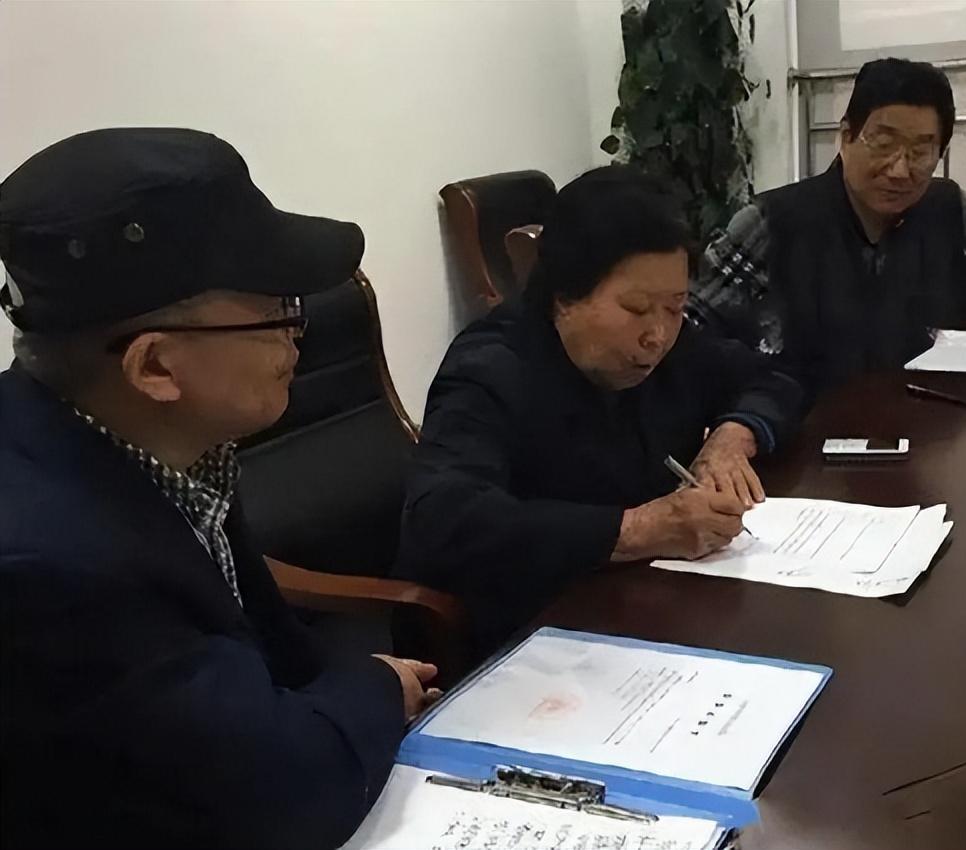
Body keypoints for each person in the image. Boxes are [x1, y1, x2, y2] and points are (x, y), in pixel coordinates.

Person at [0, 128, 439, 850]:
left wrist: (346, 692)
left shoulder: (165, 444)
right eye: (277, 309)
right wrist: (378, 687)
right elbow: (275, 800)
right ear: (155, 367)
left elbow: (273, 656)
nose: (298, 335)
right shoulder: (51, 570)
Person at [397, 166, 803, 649]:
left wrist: (734, 435)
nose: (657, 335)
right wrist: (636, 530)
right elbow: (444, 522)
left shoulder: (673, 347)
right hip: (530, 638)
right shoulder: (489, 370)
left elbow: (776, 377)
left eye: (675, 307)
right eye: (636, 309)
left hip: (647, 609)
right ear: (565, 297)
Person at [689, 58, 966, 394]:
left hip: (924, 436)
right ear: (846, 136)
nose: (899, 169)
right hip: (797, 440)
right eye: (883, 143)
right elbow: (688, 328)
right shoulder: (773, 222)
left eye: (920, 151)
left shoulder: (947, 208)